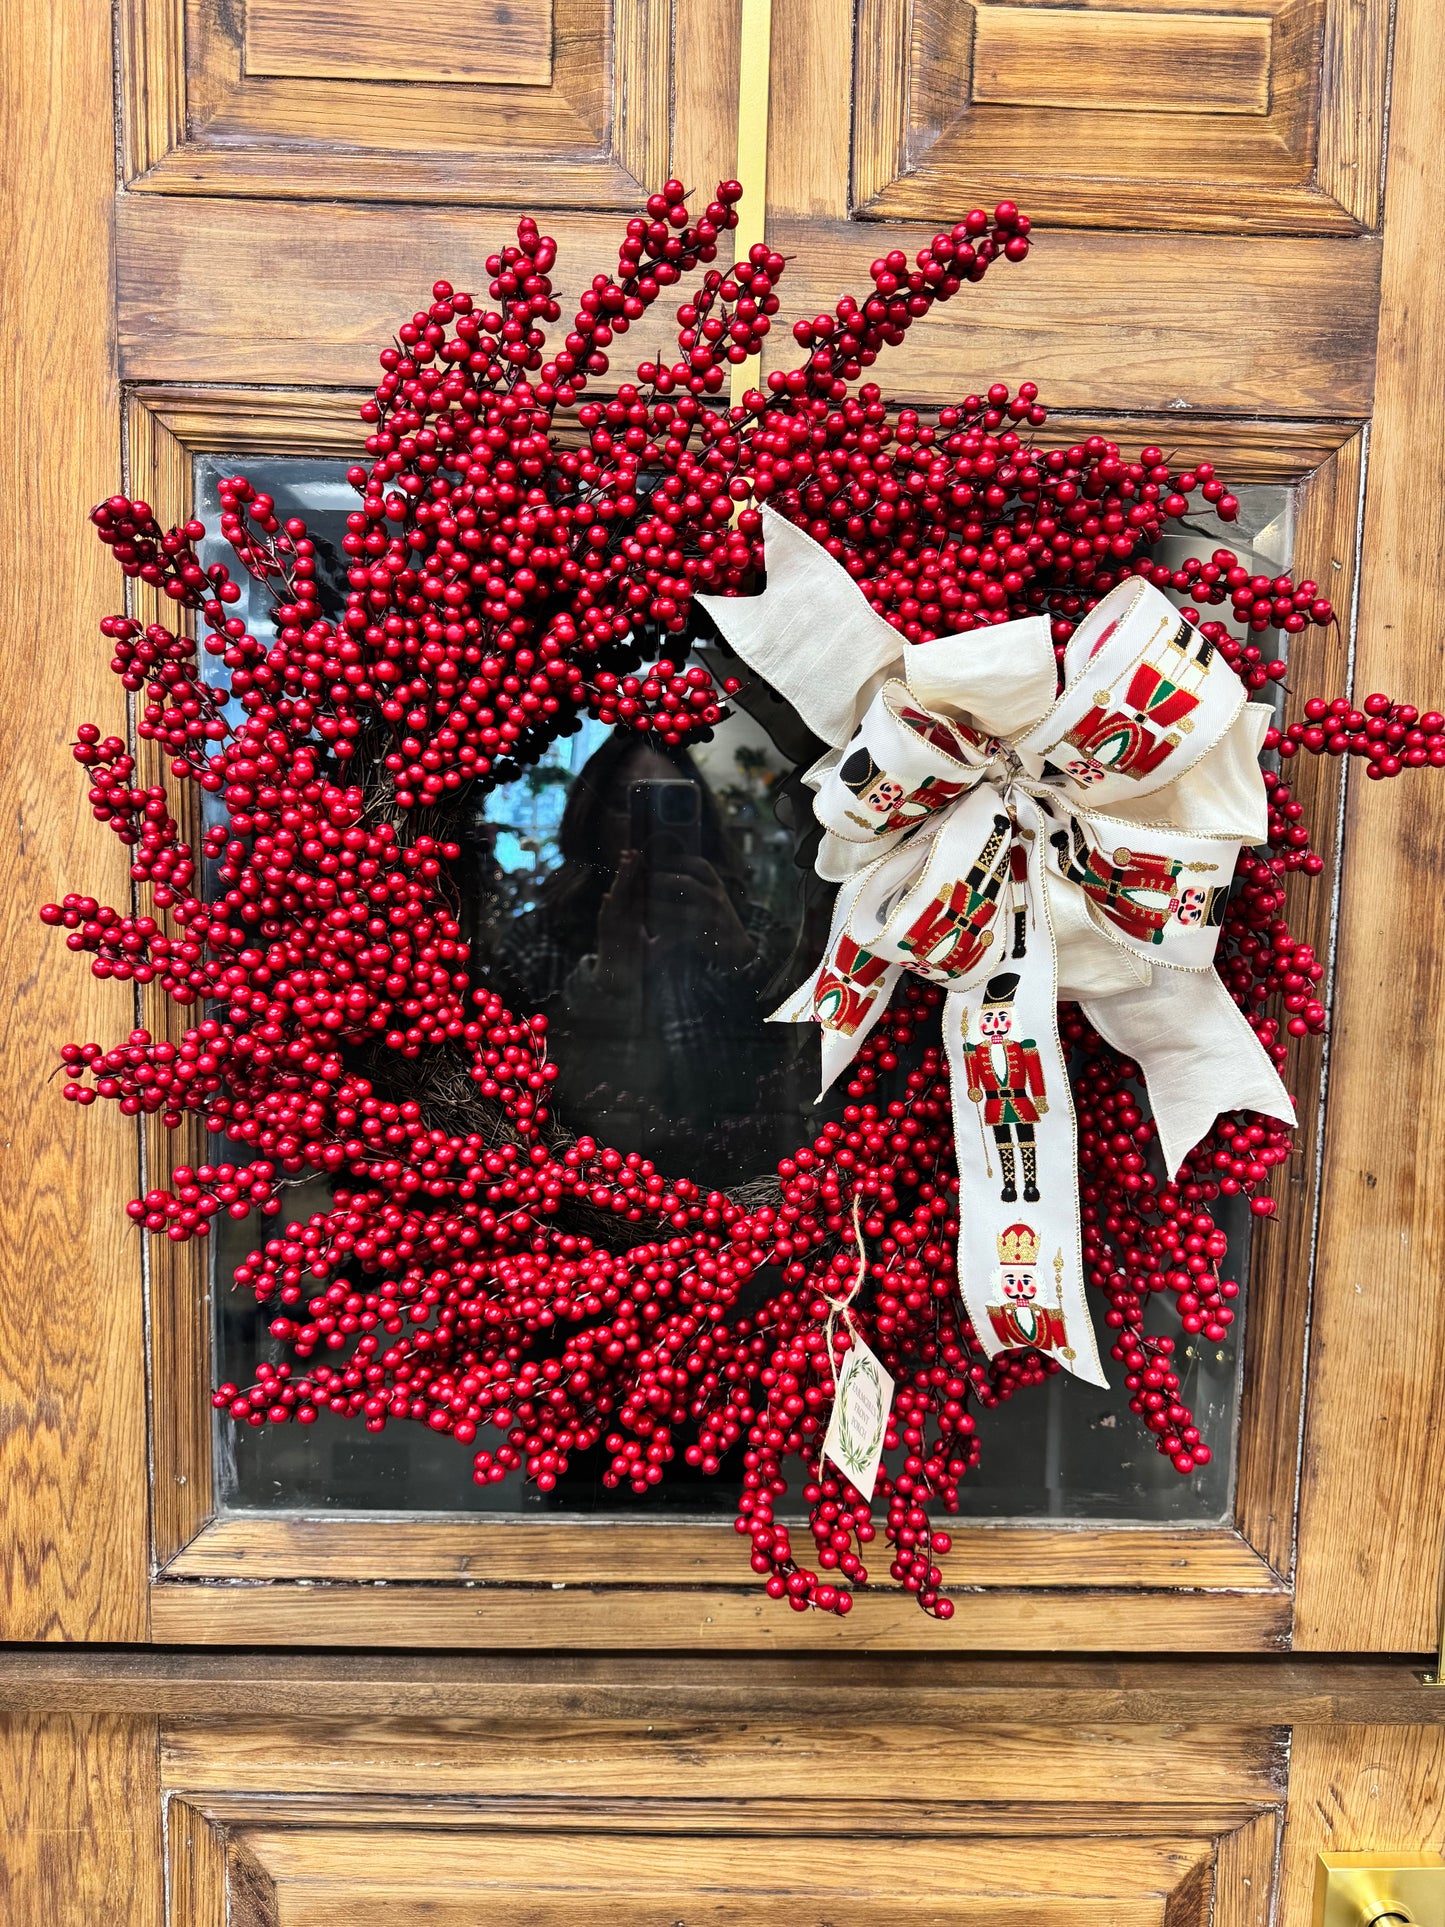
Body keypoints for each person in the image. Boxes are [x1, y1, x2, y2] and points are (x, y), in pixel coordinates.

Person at [488, 732, 795, 1179]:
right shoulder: (539, 940)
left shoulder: (751, 929)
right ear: (590, 819)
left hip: (732, 1186)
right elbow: (522, 1090)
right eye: (629, 804)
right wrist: (607, 980)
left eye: (669, 805)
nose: (650, 827)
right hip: (583, 1184)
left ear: (698, 818)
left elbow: (793, 1074)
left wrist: (738, 955)